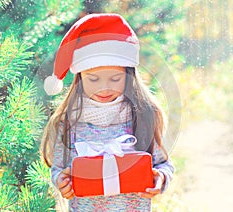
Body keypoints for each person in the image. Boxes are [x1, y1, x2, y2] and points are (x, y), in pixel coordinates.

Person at [41, 13, 174, 211]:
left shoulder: (143, 115)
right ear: (79, 78)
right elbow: (59, 169)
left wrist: (160, 178)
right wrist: (62, 181)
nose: (104, 88)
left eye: (115, 79)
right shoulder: (69, 122)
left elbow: (164, 165)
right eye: (93, 79)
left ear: (129, 76)